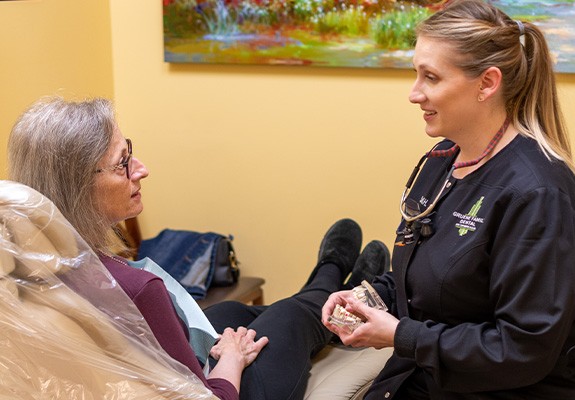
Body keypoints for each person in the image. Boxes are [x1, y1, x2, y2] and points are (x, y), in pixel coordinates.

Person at [7, 96, 390, 400]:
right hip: (228, 391)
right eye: (122, 163)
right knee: (289, 314)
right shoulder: (139, 290)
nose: (141, 169)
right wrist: (233, 361)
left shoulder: (28, 268)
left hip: (150, 374)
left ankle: (326, 281)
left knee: (236, 310)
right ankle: (336, 281)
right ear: (79, 185)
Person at [321, 0, 575, 399]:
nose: (414, 94)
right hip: (417, 377)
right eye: (415, 75)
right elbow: (427, 281)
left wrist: (402, 335)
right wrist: (369, 297)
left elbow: (523, 350)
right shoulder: (445, 158)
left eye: (431, 77)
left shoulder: (537, 194)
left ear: (487, 84)